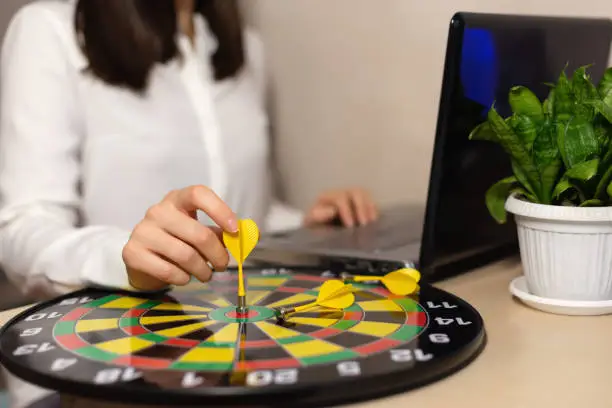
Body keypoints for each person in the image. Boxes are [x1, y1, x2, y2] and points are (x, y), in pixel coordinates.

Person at [0, 1, 378, 406]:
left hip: (234, 359)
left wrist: (308, 221)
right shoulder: (49, 30)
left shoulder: (247, 48)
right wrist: (123, 256)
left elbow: (241, 216)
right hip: (92, 371)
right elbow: (21, 228)